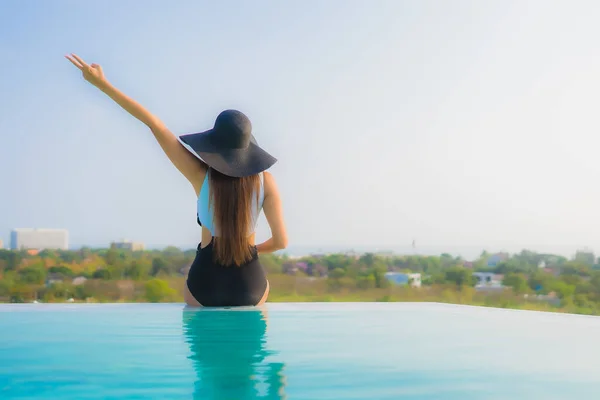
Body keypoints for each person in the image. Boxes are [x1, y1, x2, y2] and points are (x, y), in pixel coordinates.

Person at [66, 54, 288, 307]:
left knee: (203, 343)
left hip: (205, 283)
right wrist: (249, 250)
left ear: (214, 147)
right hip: (250, 284)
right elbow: (281, 242)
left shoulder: (200, 174)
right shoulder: (266, 182)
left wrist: (103, 85)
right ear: (248, 150)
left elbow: (154, 124)